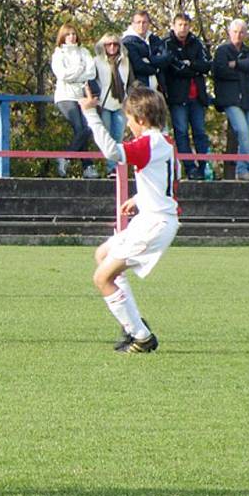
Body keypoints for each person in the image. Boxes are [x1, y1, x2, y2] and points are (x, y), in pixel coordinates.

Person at [79, 84, 180, 354]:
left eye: (129, 119)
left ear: (142, 119)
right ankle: (132, 324)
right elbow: (167, 181)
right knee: (103, 255)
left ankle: (141, 336)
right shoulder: (165, 141)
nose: (128, 124)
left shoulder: (149, 142)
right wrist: (139, 198)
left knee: (102, 278)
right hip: (152, 217)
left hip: (155, 224)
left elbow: (113, 152)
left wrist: (90, 114)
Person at [213, 19, 249, 181]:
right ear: (229, 32)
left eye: (241, 32)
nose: (238, 35)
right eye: (235, 31)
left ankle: (242, 170)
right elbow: (220, 71)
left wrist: (236, 64)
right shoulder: (222, 51)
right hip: (230, 99)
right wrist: (244, 70)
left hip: (248, 99)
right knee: (242, 131)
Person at [162, 13, 212, 180]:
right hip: (178, 97)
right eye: (180, 25)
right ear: (174, 25)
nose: (183, 28)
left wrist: (191, 64)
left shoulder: (196, 42)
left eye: (186, 25)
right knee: (181, 133)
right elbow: (174, 66)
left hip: (197, 96)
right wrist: (192, 66)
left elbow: (206, 65)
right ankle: (189, 168)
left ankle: (203, 167)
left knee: (200, 132)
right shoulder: (167, 43)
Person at [51, 22, 98, 178]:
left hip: (82, 96)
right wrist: (79, 69)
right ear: (62, 37)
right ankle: (87, 165)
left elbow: (91, 73)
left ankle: (69, 159)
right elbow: (62, 75)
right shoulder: (59, 54)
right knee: (80, 127)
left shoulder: (84, 52)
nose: (71, 37)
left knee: (87, 128)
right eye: (68, 34)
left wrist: (76, 75)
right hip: (65, 96)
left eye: (73, 33)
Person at [93, 33, 133, 179]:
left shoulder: (125, 61)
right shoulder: (97, 61)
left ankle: (117, 169)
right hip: (103, 103)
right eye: (108, 44)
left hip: (120, 103)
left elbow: (130, 81)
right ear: (103, 46)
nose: (112, 47)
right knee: (107, 136)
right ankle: (110, 168)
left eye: (115, 44)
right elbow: (92, 81)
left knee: (119, 136)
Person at [122, 10, 170, 93]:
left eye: (144, 22)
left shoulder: (154, 39)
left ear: (149, 24)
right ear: (132, 24)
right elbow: (139, 66)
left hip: (158, 89)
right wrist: (157, 68)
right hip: (139, 91)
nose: (141, 25)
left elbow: (167, 57)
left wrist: (149, 60)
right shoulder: (127, 42)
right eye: (138, 22)